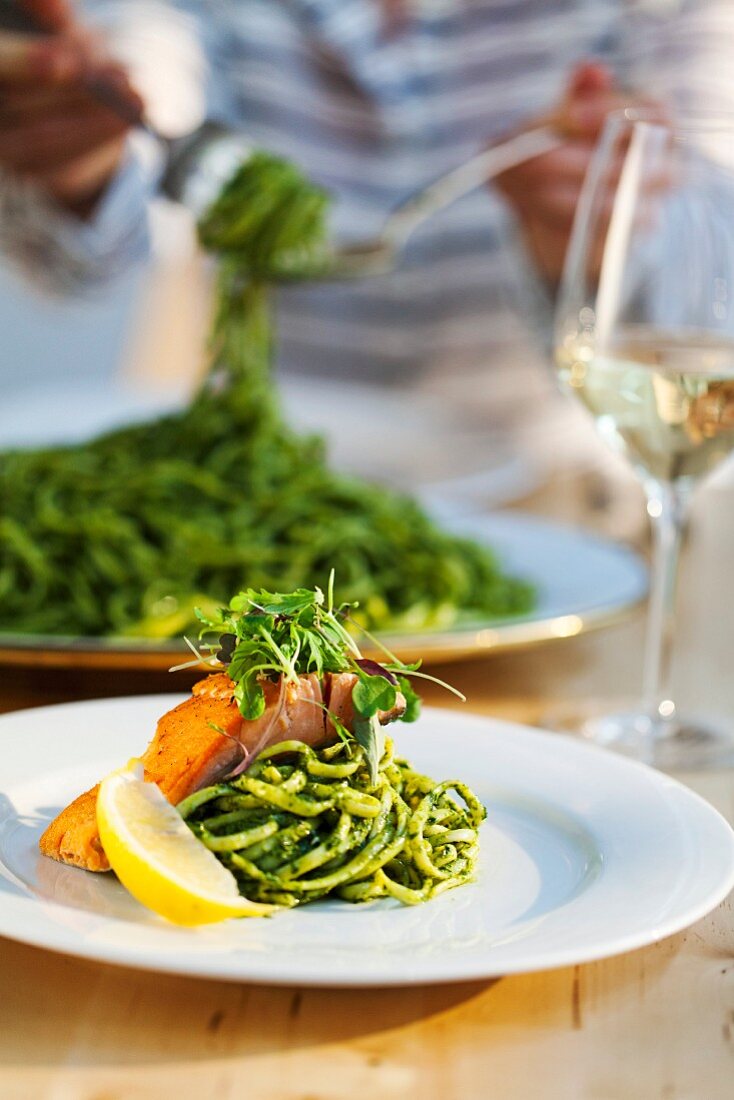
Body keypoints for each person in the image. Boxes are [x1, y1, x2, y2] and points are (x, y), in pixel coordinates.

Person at [0, 1, 730, 429]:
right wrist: (83, 161)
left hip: (572, 500)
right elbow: (146, 98)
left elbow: (713, 304)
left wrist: (597, 251)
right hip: (275, 459)